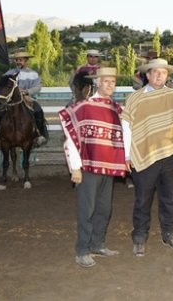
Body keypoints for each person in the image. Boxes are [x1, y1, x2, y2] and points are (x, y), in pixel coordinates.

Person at [121, 58, 173, 256]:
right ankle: (139, 238)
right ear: (148, 75)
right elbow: (126, 127)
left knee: (169, 198)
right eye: (155, 72)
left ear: (167, 75)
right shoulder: (135, 98)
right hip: (144, 155)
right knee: (142, 199)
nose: (159, 76)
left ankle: (169, 234)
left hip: (170, 155)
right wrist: (127, 154)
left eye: (163, 72)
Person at [59, 67, 127, 268]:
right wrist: (75, 167)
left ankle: (97, 244)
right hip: (88, 166)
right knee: (86, 210)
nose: (110, 85)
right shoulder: (84, 106)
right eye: (106, 81)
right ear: (97, 83)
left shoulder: (116, 109)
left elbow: (125, 134)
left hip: (109, 165)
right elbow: (70, 135)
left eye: (113, 82)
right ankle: (82, 250)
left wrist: (126, 158)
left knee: (104, 209)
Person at [0, 51, 48, 148]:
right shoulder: (9, 73)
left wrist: (27, 91)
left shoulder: (33, 74)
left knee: (38, 111)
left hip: (27, 97)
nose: (18, 62)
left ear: (26, 61)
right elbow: (2, 85)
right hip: (10, 99)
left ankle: (40, 135)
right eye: (17, 60)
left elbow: (38, 87)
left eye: (20, 60)